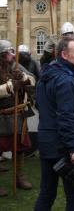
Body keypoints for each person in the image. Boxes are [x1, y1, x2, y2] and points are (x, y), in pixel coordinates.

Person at [34, 37, 74, 211]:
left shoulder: (46, 76)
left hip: (47, 142)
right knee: (73, 195)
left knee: (47, 192)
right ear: (64, 55)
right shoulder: (65, 81)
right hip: (63, 146)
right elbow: (66, 117)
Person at [0, 40, 35, 197]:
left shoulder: (15, 65)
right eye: (9, 53)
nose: (12, 55)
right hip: (2, 114)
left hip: (18, 113)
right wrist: (10, 86)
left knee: (19, 148)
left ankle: (19, 177)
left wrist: (23, 78)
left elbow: (32, 78)